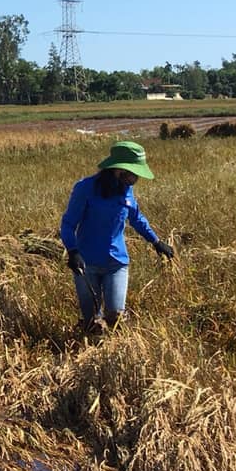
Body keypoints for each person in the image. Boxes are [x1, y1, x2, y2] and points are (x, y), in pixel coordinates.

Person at [60, 141, 174, 334]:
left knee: (116, 317)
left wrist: (156, 242)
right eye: (133, 174)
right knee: (92, 323)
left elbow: (137, 218)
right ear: (118, 170)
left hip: (116, 263)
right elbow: (68, 224)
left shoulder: (126, 190)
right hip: (86, 264)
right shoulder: (85, 188)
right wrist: (72, 251)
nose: (136, 178)